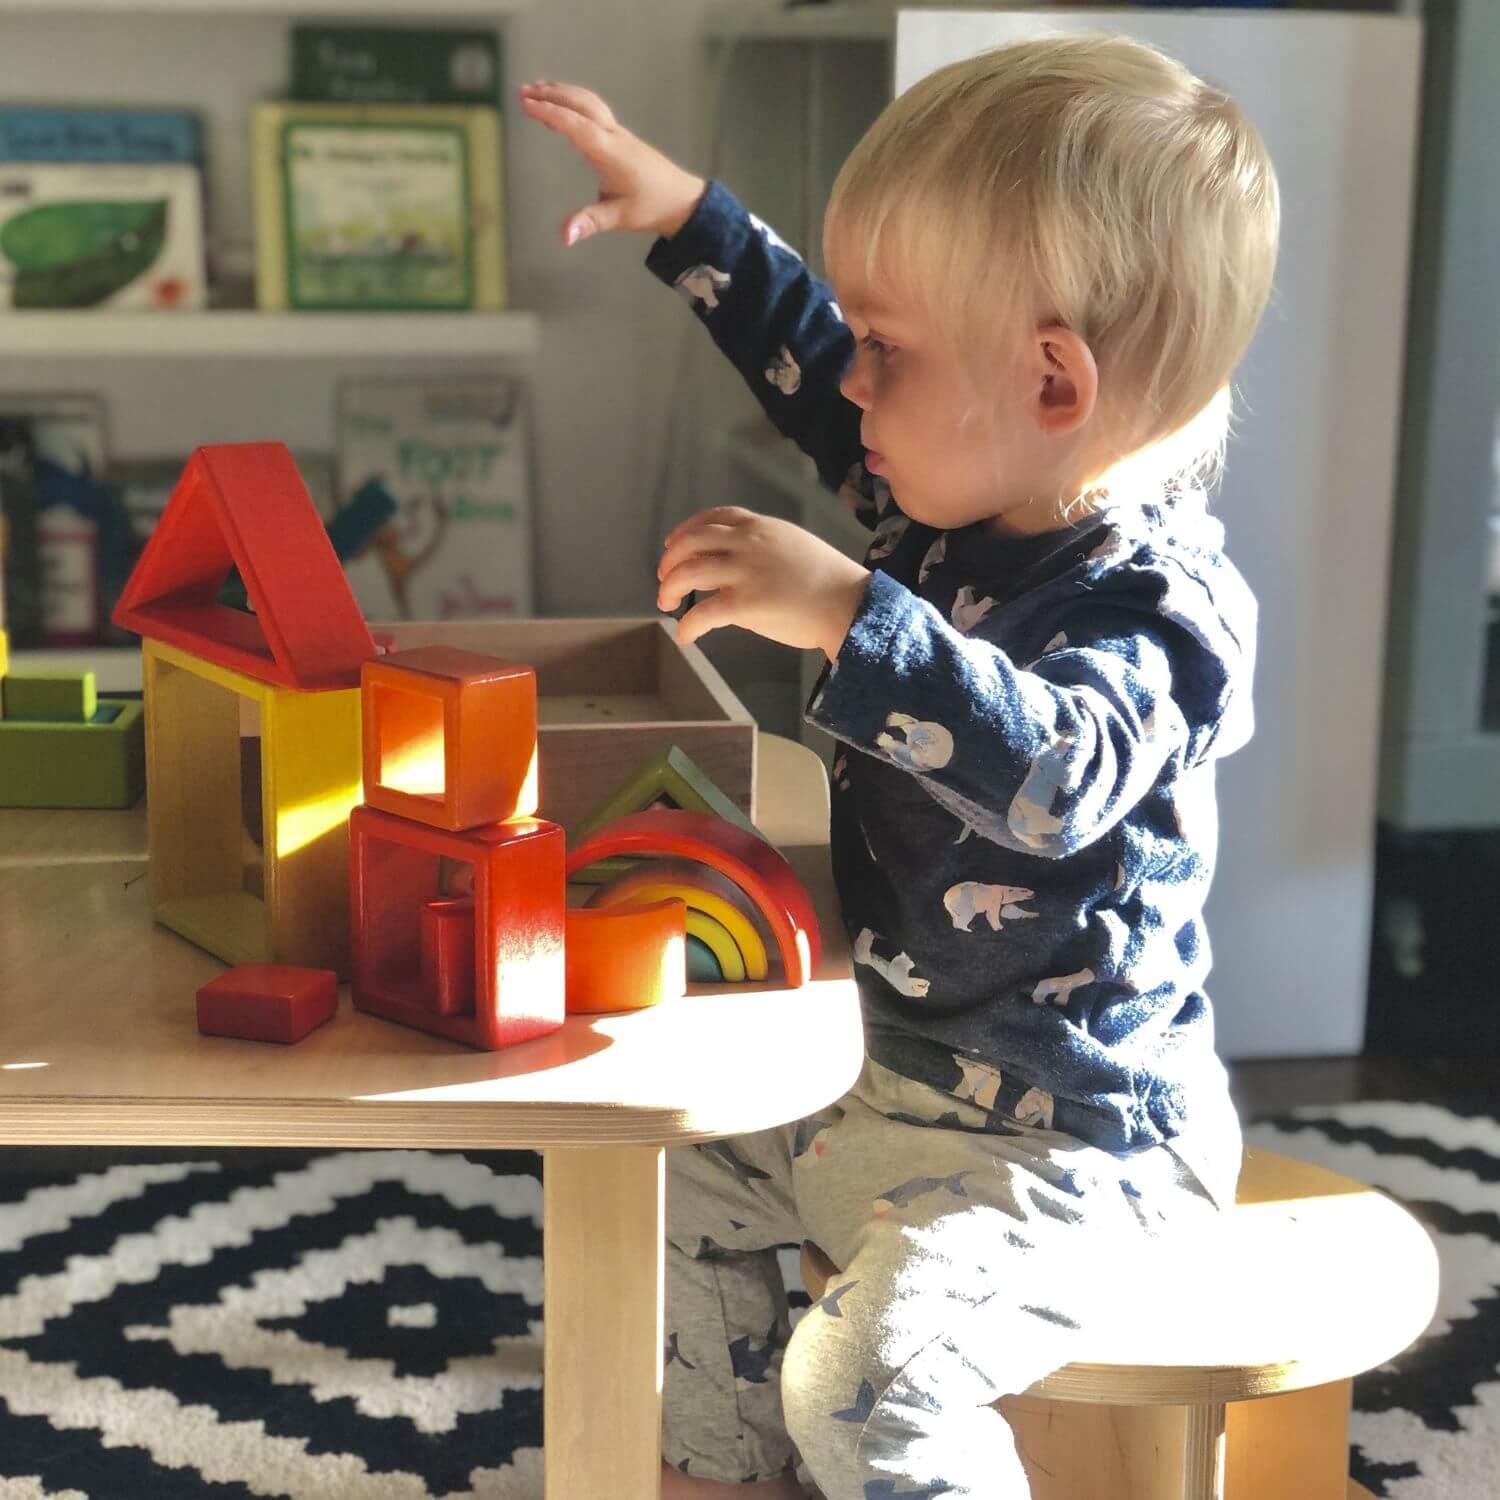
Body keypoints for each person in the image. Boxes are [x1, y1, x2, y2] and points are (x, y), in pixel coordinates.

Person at [522, 31, 1278, 1500]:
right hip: (888, 1079)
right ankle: (724, 1477)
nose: (852, 388)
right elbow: (813, 362)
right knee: (655, 1173)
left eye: (894, 350)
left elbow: (1060, 775)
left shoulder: (1161, 608)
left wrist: (850, 613)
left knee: (861, 1387)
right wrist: (692, 220)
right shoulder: (957, 492)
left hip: (1078, 1150)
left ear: (1054, 383)